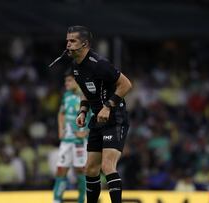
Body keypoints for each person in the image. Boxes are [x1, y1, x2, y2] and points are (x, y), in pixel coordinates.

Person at [66, 25, 132, 203]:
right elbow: (87, 92)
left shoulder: (100, 64)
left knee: (107, 166)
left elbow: (126, 85)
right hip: (97, 119)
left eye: (73, 41)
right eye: (67, 41)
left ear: (85, 44)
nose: (68, 45)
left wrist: (108, 106)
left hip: (115, 117)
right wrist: (83, 110)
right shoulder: (76, 66)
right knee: (90, 169)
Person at [53, 71, 91, 203]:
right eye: (65, 81)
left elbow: (93, 114)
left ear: (76, 81)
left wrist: (86, 131)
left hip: (79, 141)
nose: (66, 84)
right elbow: (61, 113)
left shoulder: (85, 95)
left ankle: (82, 200)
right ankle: (56, 200)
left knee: (81, 170)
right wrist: (60, 129)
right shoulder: (66, 96)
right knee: (60, 169)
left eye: (69, 81)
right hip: (66, 140)